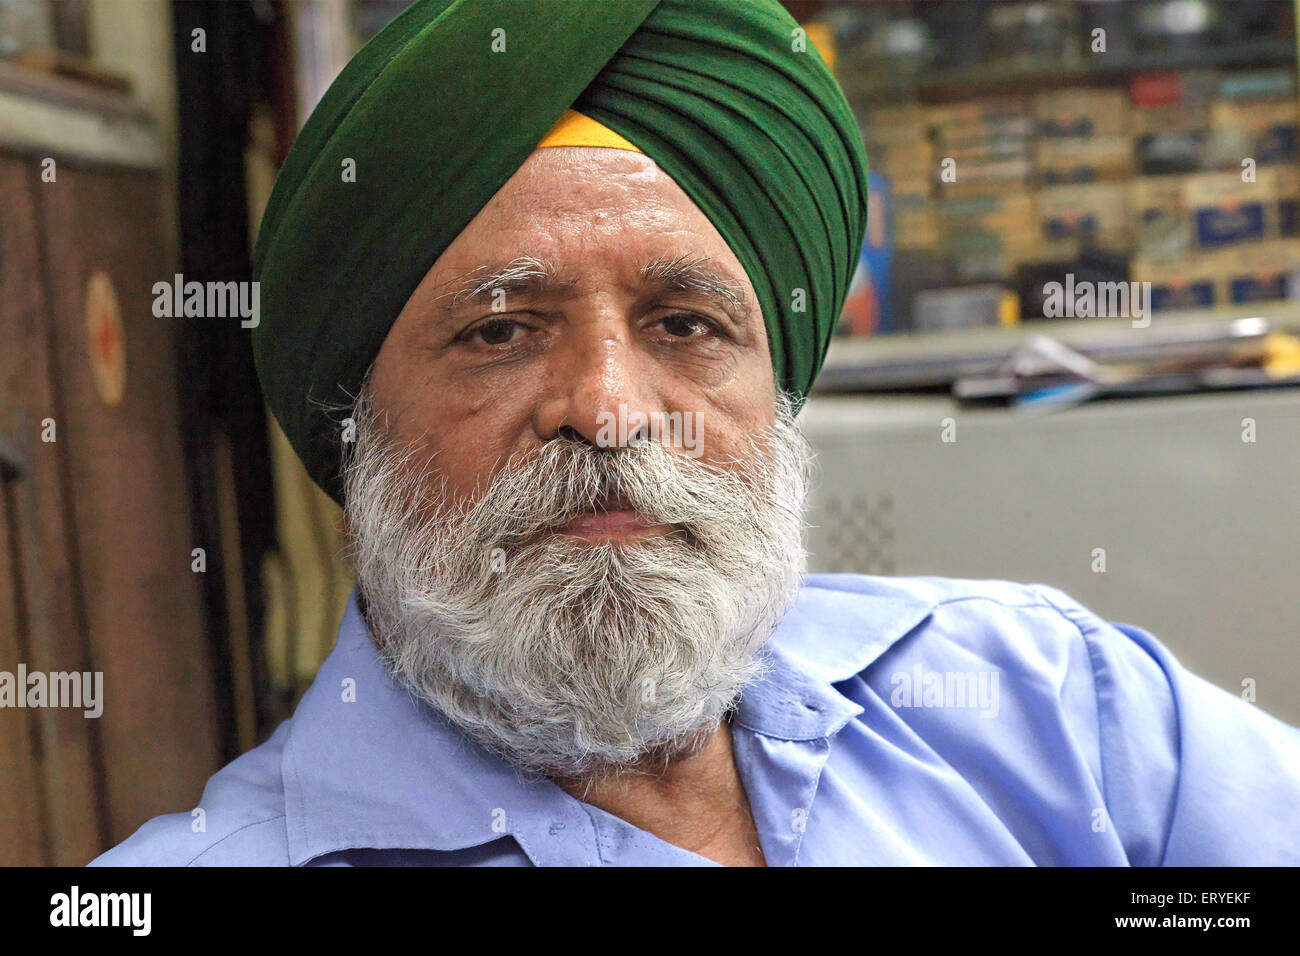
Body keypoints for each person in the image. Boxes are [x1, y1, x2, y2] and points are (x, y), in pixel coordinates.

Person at [93, 0, 1300, 866]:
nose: (611, 411)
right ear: (353, 428)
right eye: (501, 330)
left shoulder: (1055, 705)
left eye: (684, 321)